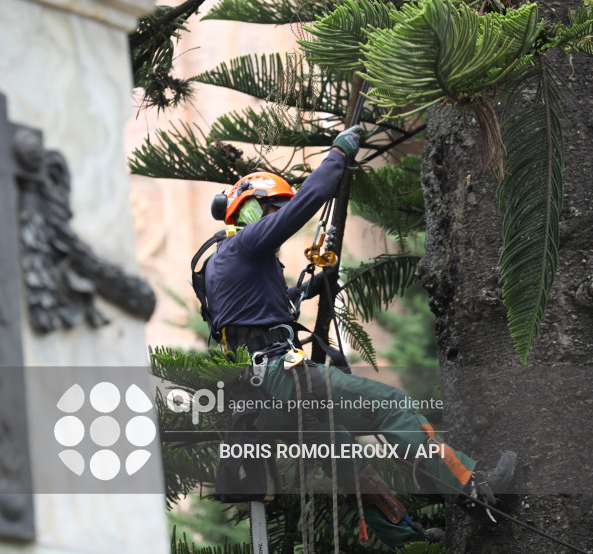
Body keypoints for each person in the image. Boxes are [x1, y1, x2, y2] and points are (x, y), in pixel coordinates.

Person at [200, 126, 516, 550]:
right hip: (280, 380)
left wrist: (304, 290)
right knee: (392, 407)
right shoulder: (245, 245)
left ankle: (408, 542)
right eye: (272, 209)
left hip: (259, 400)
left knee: (348, 461)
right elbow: (313, 197)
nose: (278, 217)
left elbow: (257, 316)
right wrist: (338, 154)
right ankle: (474, 487)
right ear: (249, 209)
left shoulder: (223, 263)